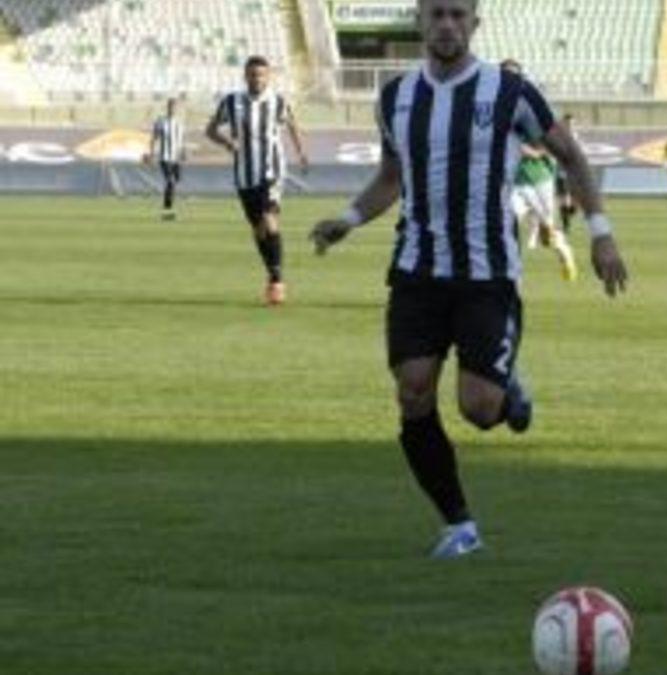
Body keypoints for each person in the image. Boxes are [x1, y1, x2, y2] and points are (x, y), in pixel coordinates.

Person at [309, 0, 629, 559]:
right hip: (417, 268)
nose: (447, 25)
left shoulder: (509, 92)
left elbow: (573, 158)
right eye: (437, 14)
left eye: (458, 15)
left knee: (479, 409)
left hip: (487, 273)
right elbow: (391, 176)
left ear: (474, 24)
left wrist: (601, 234)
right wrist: (350, 218)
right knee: (413, 391)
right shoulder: (395, 98)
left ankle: (506, 388)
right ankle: (458, 524)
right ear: (420, 21)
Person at [205, 56, 310, 306]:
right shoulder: (231, 102)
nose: (257, 79)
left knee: (269, 220)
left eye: (261, 74)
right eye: (252, 74)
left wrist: (301, 152)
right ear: (245, 76)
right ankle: (272, 273)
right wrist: (227, 143)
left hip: (272, 170)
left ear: (268, 76)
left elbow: (292, 124)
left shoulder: (278, 101)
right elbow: (210, 130)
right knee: (259, 229)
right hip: (244, 175)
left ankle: (277, 281)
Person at [500, 58, 579, 282]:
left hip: (538, 180)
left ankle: (565, 252)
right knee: (503, 226)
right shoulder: (497, 108)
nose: (508, 80)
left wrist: (533, 151)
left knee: (547, 234)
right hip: (514, 183)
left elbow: (551, 139)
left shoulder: (533, 106)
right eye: (504, 75)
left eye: (513, 75)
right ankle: (510, 274)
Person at [145, 97, 185, 221]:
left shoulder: (179, 123)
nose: (172, 109)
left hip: (176, 158)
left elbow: (180, 141)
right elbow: (154, 138)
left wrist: (182, 153)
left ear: (177, 109)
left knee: (174, 182)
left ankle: (168, 208)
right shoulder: (161, 121)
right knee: (170, 181)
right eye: (170, 106)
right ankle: (167, 212)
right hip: (165, 157)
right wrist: (151, 153)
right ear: (167, 107)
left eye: (175, 107)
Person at [556, 113, 581, 234]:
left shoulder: (576, 136)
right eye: (569, 123)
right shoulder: (559, 136)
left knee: (575, 202)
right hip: (562, 171)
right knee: (564, 199)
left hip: (575, 171)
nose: (571, 126)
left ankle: (568, 214)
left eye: (573, 124)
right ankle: (566, 225)